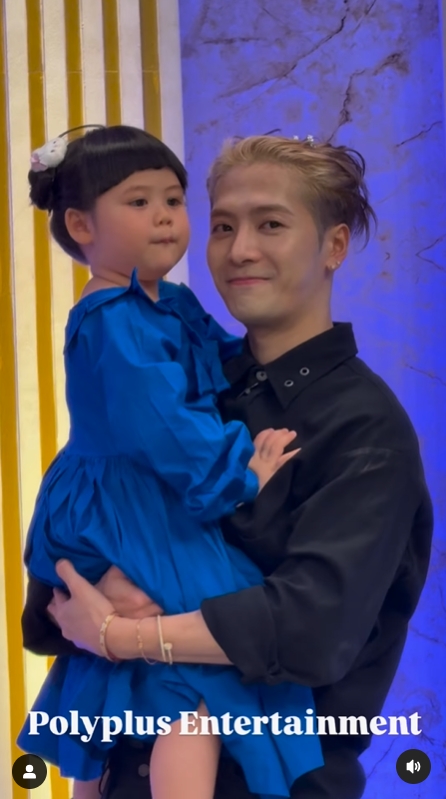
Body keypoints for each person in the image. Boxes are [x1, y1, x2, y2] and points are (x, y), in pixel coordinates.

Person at [22, 134, 433, 799]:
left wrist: (125, 633)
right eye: (222, 226)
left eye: (270, 224)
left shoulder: (365, 427)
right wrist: (85, 591)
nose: (240, 249)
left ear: (333, 246)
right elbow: (60, 588)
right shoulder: (181, 379)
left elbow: (310, 626)